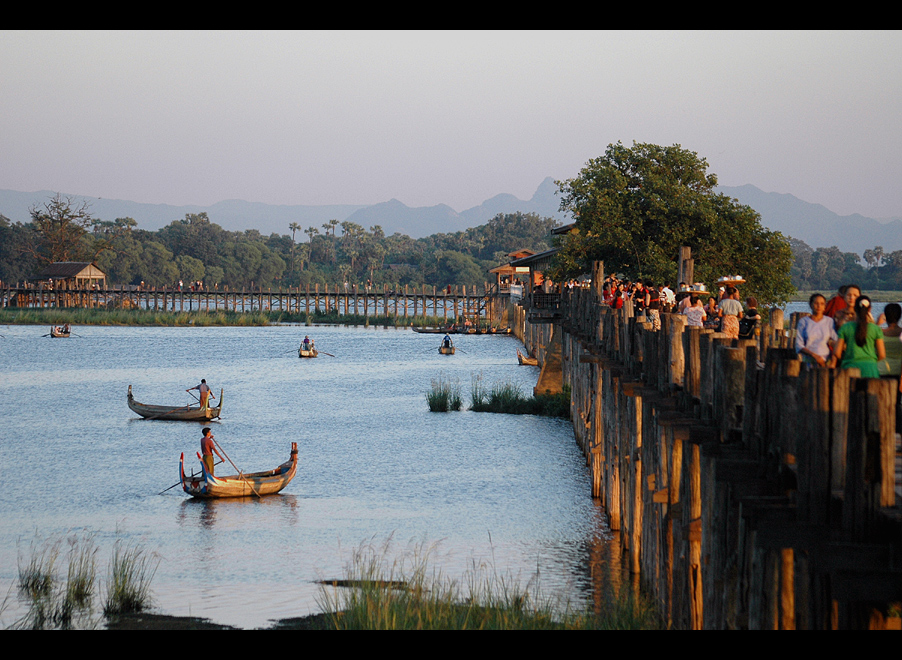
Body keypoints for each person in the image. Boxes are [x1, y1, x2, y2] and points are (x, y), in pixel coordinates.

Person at [831, 295, 885, 378]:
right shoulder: (876, 329)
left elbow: (837, 353)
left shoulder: (845, 327)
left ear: (855, 308)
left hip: (849, 368)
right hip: (870, 369)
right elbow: (882, 355)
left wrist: (847, 360)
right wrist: (871, 360)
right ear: (869, 309)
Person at [795, 293, 837, 367]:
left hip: (826, 361)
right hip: (808, 361)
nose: (819, 306)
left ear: (825, 306)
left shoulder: (829, 321)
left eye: (822, 304)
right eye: (816, 303)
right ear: (811, 305)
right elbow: (799, 345)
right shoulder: (804, 321)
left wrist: (833, 361)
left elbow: (837, 341)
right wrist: (815, 356)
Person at [879, 302, 902, 377]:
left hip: (880, 371)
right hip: (898, 372)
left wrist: (877, 324)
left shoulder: (879, 333)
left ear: (885, 316)